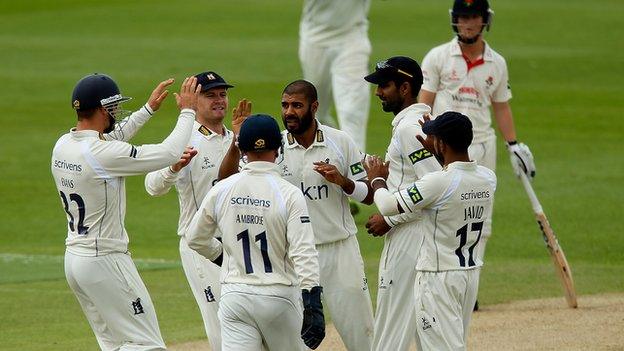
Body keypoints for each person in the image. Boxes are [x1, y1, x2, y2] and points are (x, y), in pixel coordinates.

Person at [218, 80, 375, 351]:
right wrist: (237, 141)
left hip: (339, 252)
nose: (289, 111)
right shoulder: (273, 147)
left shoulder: (340, 142)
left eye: (297, 105)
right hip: (293, 259)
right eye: (285, 105)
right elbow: (226, 181)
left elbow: (369, 195)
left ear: (314, 107)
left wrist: (344, 183)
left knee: (362, 335)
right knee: (296, 343)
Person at [51, 73, 201, 350]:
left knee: (113, 344)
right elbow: (169, 153)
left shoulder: (64, 144)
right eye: (113, 108)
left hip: (75, 261)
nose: (117, 113)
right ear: (100, 109)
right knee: (146, 344)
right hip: (105, 260)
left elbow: (108, 141)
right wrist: (188, 111)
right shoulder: (101, 153)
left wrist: (148, 110)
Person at [185, 114, 324, 350]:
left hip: (234, 297)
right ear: (279, 150)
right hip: (278, 296)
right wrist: (313, 302)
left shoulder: (222, 189)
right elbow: (303, 251)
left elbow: (195, 238)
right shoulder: (288, 193)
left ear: (241, 149)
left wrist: (223, 256)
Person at [365, 111, 497, 351]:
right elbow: (451, 176)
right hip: (468, 274)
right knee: (453, 341)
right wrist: (437, 147)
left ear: (441, 143)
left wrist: (377, 180)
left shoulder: (436, 183)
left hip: (438, 278)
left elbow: (386, 205)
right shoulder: (488, 178)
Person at [418, 0, 535, 264]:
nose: (467, 24)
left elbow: (501, 107)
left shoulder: (497, 63)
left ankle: (472, 276)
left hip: (481, 146)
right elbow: (423, 102)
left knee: (480, 214)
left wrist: (513, 144)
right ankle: (442, 268)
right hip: (444, 149)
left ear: (485, 20)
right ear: (454, 19)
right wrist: (423, 137)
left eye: (473, 17)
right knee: (443, 210)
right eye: (462, 17)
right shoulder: (438, 57)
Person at [144, 71, 252, 351]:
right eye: (210, 95)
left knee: (247, 315)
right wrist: (173, 167)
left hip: (238, 242)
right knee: (220, 321)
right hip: (200, 245)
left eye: (222, 94)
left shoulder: (237, 137)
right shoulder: (185, 139)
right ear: (196, 100)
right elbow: (152, 186)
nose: (219, 100)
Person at [363, 56, 442, 351]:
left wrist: (390, 218)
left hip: (411, 236)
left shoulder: (410, 129)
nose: (377, 92)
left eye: (384, 85)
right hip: (423, 235)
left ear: (405, 87)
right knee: (426, 327)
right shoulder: (416, 124)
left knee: (391, 326)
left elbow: (434, 188)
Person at [298, 0, 372, 151]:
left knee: (351, 110)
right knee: (317, 111)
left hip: (352, 38)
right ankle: (330, 149)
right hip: (315, 39)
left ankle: (356, 167)